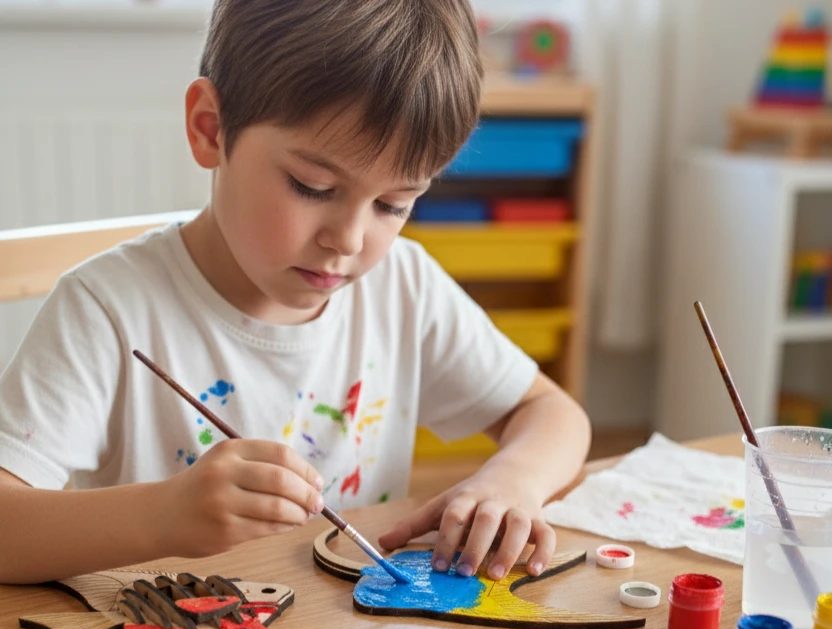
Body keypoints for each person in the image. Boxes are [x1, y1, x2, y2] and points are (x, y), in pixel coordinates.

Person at [0, 0, 590, 586]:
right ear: (211, 128)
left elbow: (552, 414)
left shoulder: (403, 286)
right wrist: (162, 516)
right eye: (313, 186)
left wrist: (512, 480)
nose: (349, 239)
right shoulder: (108, 309)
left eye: (394, 204)